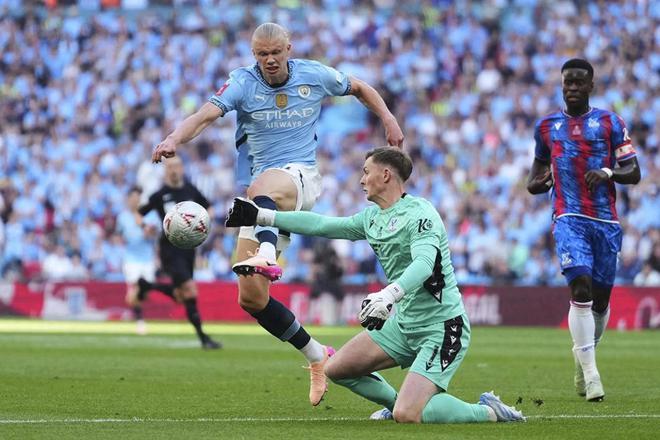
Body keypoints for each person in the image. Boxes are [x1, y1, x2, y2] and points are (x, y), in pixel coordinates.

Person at [151, 23, 404, 405]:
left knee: (262, 186)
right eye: (261, 54)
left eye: (275, 52)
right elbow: (204, 116)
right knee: (251, 298)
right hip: (261, 201)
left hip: (299, 178)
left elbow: (360, 88)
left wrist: (388, 118)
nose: (269, 60)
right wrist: (173, 138)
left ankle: (267, 253)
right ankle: (317, 355)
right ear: (254, 54)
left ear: (289, 48)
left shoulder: (313, 74)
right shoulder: (242, 82)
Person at [226, 147, 524, 424]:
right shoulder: (371, 218)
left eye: (366, 171)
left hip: (442, 327)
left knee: (409, 415)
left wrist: (389, 294)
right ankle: (396, 404)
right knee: (336, 369)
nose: (361, 180)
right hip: (404, 324)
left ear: (386, 175)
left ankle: (488, 411)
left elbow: (424, 264)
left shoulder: (421, 213)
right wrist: (263, 215)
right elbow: (322, 225)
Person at [527, 59, 641, 401]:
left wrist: (608, 173)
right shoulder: (546, 127)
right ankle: (592, 376)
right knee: (580, 287)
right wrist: (540, 183)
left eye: (579, 82)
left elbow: (633, 172)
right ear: (562, 85)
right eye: (568, 82)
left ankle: (582, 360)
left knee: (601, 301)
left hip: (605, 222)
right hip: (568, 216)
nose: (573, 88)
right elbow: (533, 180)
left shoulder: (610, 122)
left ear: (591, 86)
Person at [138, 156, 222, 349]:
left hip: (189, 250)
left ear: (182, 168)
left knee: (179, 295)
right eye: (170, 167)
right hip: (169, 249)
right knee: (190, 290)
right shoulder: (160, 194)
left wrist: (203, 223)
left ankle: (146, 285)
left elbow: (209, 208)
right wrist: (145, 226)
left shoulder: (190, 190)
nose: (174, 170)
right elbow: (139, 213)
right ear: (165, 170)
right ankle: (204, 338)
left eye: (177, 166)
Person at [117, 186, 158, 335]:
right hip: (131, 259)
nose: (135, 201)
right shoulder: (122, 217)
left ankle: (134, 305)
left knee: (144, 292)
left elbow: (155, 233)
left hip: (147, 258)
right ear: (128, 200)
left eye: (137, 198)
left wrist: (147, 229)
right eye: (133, 198)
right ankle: (140, 320)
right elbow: (119, 235)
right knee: (134, 287)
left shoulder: (150, 215)